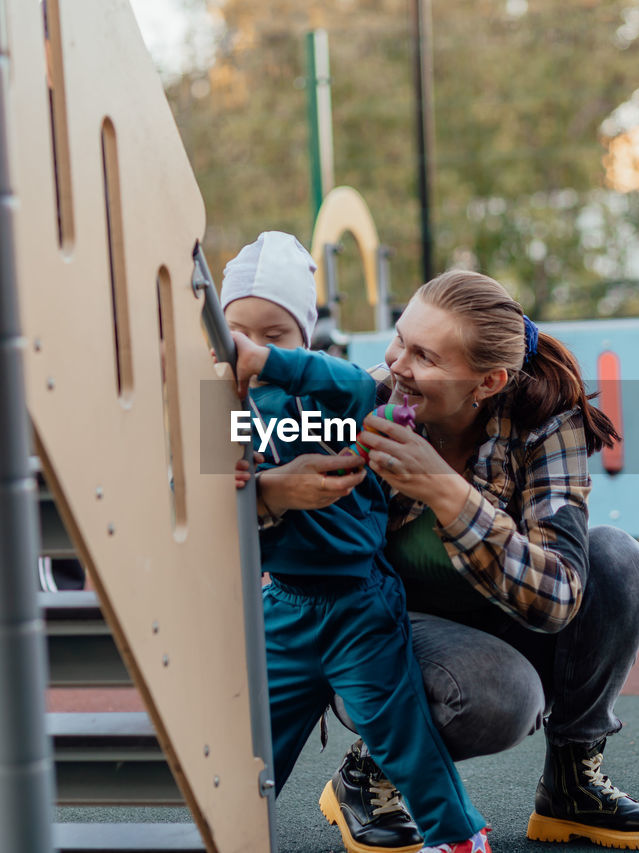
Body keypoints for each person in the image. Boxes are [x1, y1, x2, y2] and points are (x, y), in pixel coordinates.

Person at [254, 270, 639, 851]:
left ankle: (571, 784)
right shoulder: (362, 400)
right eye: (400, 339)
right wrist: (270, 492)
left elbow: (560, 597)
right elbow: (229, 462)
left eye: (425, 356)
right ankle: (370, 773)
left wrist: (446, 493)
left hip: (501, 613)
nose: (397, 364)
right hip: (382, 635)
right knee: (505, 697)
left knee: (618, 560)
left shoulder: (545, 419)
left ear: (489, 381)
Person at [221, 233, 491, 853]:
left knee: (401, 731)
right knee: (253, 741)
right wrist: (249, 487)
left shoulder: (333, 395)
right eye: (240, 333)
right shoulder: (222, 406)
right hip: (284, 604)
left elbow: (345, 380)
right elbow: (206, 498)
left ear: (304, 339)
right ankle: (229, 833)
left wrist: (269, 365)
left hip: (356, 605)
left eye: (276, 334)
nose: (254, 349)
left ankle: (458, 837)